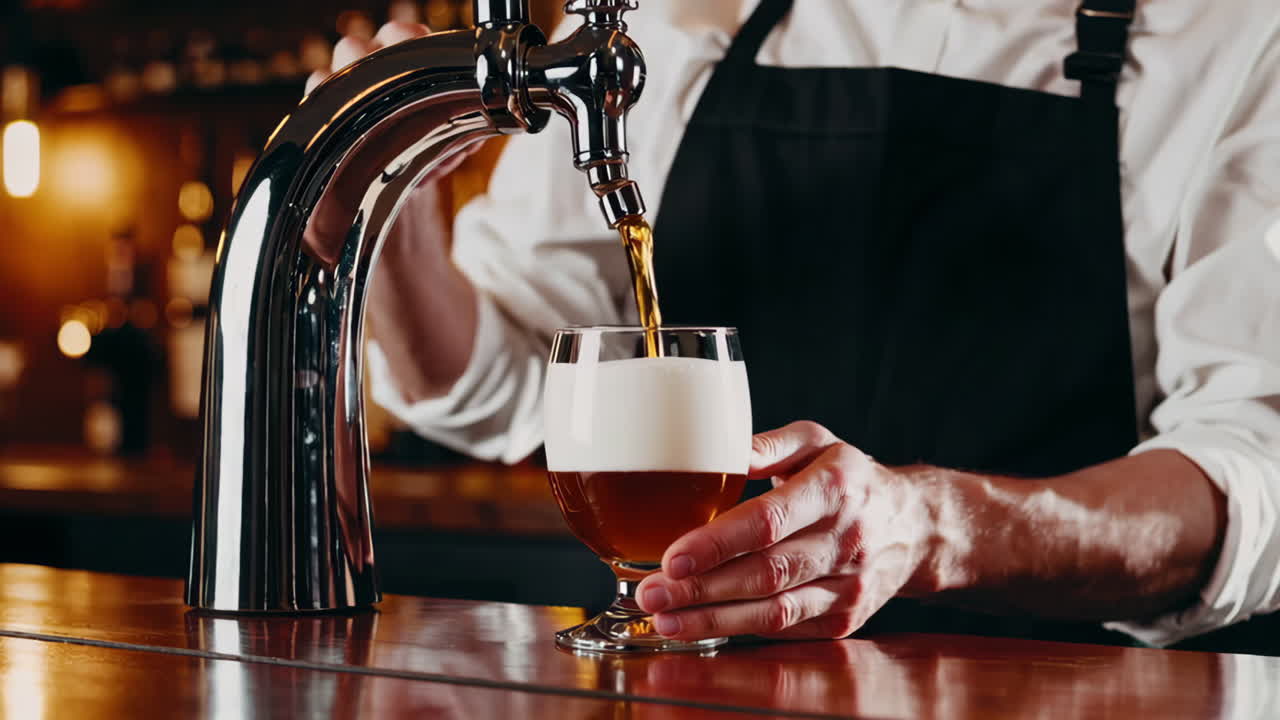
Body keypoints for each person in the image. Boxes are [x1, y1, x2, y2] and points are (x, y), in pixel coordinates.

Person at [308, 0, 1280, 650]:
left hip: (1073, 694)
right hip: (700, 687)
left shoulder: (1228, 32)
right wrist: (384, 221)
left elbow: (1255, 471)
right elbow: (511, 377)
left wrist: (933, 529)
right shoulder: (681, 14)